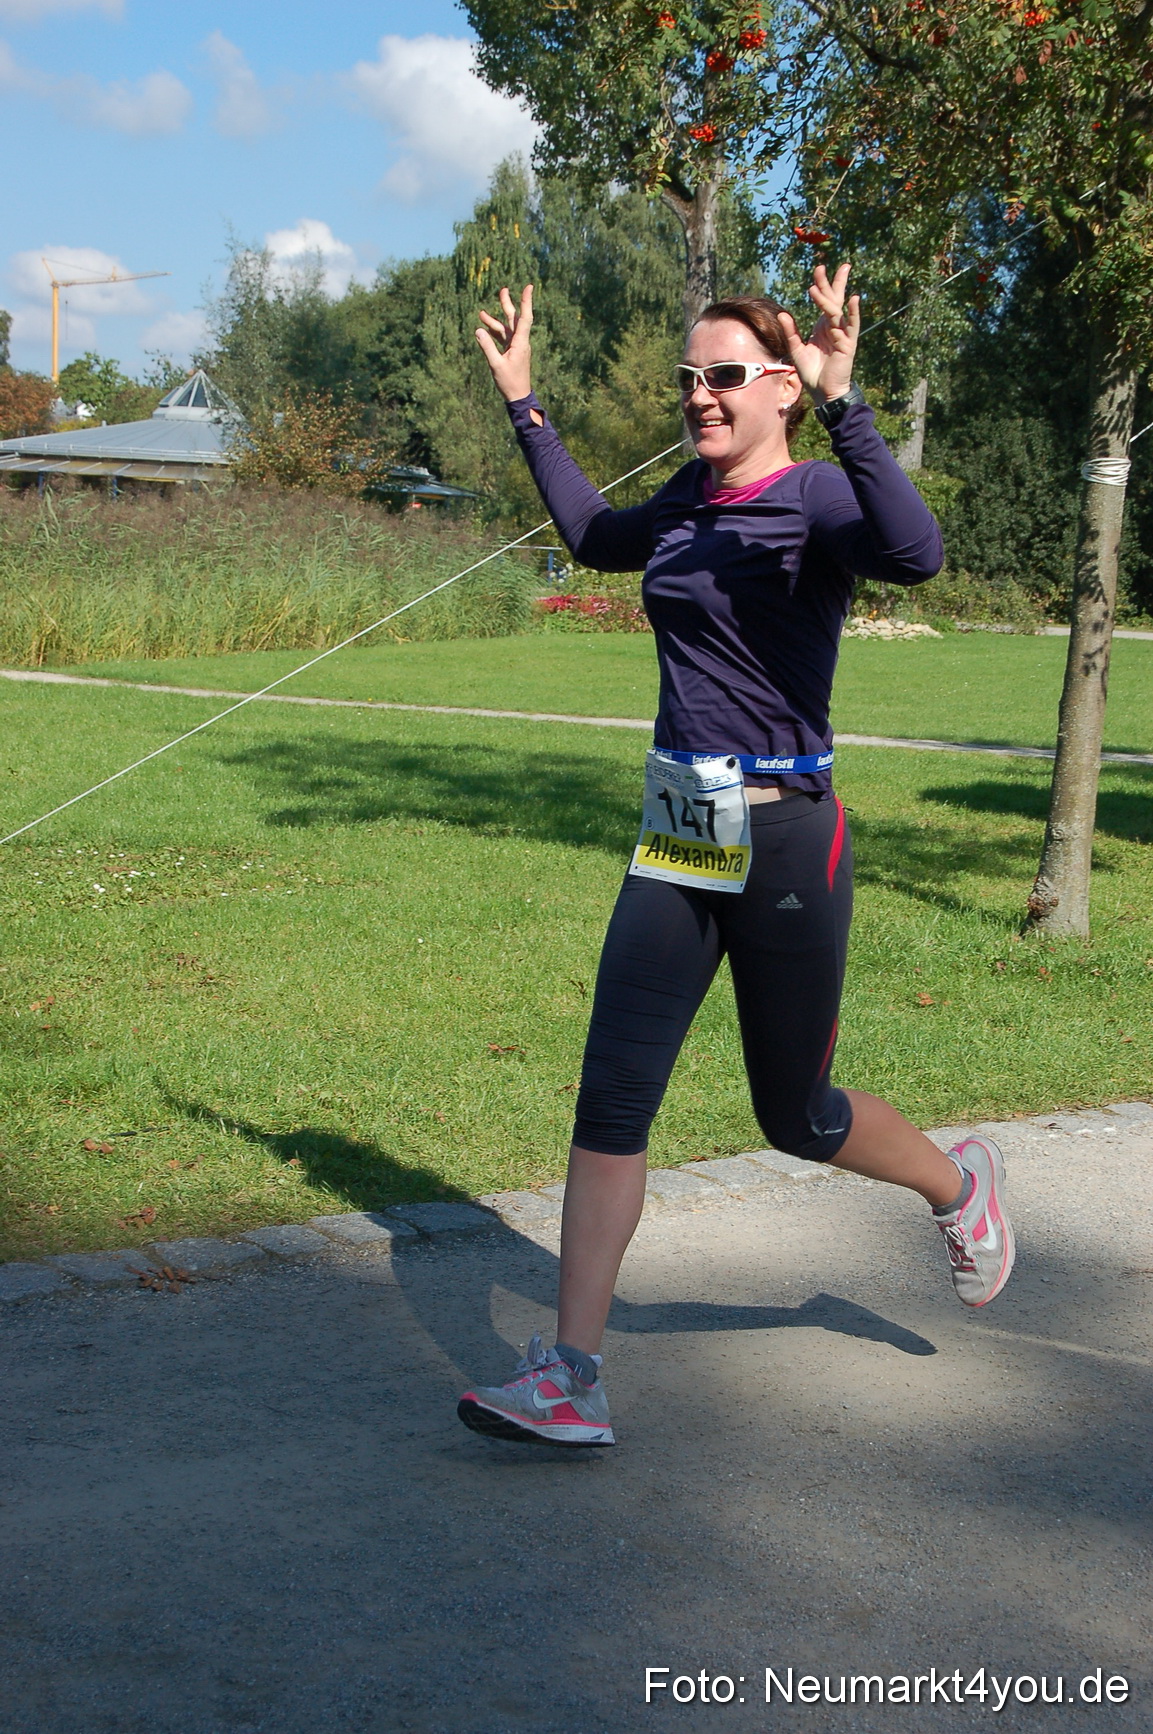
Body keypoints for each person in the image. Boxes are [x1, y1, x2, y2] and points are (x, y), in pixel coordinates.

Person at [457, 269, 1014, 1449]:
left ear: (779, 388)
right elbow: (595, 539)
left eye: (720, 378)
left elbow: (917, 555)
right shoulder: (687, 501)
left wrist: (849, 399)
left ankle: (957, 1185)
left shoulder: (816, 495)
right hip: (680, 826)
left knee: (794, 1115)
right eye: (687, 380)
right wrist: (525, 404)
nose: (697, 398)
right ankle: (572, 1376)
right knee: (613, 1095)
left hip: (782, 832)